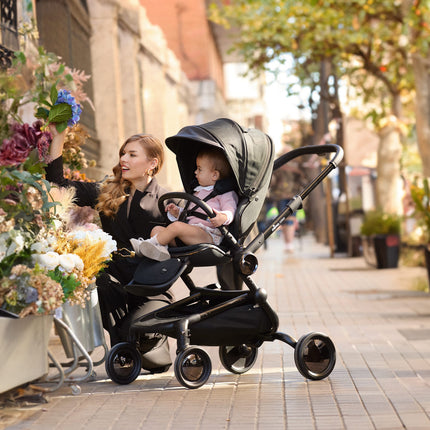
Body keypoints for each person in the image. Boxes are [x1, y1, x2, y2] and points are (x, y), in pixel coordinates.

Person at [46, 126, 173, 371]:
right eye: (123, 153)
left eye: (132, 155)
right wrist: (59, 136)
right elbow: (57, 184)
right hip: (117, 282)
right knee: (98, 280)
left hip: (151, 288)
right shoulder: (107, 192)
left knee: (135, 334)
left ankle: (145, 343)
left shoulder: (166, 199)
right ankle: (122, 352)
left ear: (152, 163)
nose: (123, 159)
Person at [131, 146, 238, 261]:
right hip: (190, 233)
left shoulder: (224, 193)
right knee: (156, 229)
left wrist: (223, 217)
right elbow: (192, 213)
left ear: (214, 175)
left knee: (177, 227)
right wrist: (178, 212)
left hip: (209, 235)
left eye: (199, 169)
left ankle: (147, 245)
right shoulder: (198, 191)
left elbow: (230, 210)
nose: (195, 172)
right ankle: (161, 251)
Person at [268, 144, 305, 253]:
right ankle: (288, 244)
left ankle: (289, 244)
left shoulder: (295, 166)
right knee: (285, 221)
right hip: (282, 196)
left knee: (288, 220)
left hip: (292, 196)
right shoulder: (280, 165)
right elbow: (272, 181)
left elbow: (302, 180)